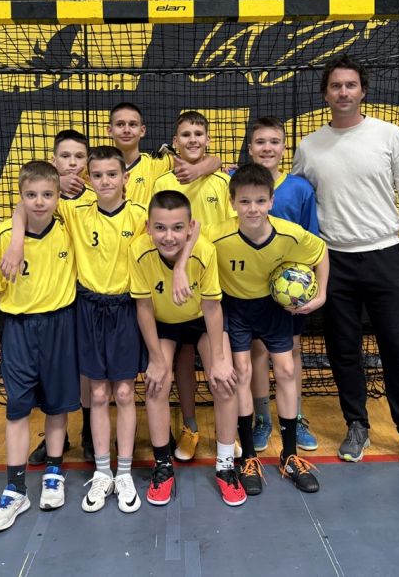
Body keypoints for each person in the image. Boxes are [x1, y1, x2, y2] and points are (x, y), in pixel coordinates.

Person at [292, 53, 399, 473]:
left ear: (363, 91)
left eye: (350, 85)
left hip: (384, 256)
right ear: (325, 94)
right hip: (333, 261)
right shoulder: (309, 146)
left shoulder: (388, 135)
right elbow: (294, 197)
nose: (343, 92)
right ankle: (357, 425)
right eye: (336, 86)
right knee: (343, 351)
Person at [207, 163, 329, 494]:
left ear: (272, 201)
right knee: (242, 372)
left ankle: (289, 456)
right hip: (236, 309)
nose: (253, 209)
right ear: (232, 202)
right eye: (245, 201)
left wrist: (321, 294)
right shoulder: (217, 234)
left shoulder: (289, 233)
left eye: (260, 201)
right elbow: (192, 249)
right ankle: (248, 456)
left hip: (274, 308)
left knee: (287, 369)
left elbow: (320, 252)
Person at [0, 161, 78, 532]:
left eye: (48, 194)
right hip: (19, 329)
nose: (39, 201)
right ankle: (16, 488)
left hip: (60, 325)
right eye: (31, 195)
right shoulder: (3, 235)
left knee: (57, 405)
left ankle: (53, 473)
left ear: (58, 197)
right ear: (20, 197)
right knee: (17, 407)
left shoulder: (69, 225)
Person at [129, 190, 244, 506]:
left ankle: (225, 466)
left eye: (177, 228)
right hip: (164, 323)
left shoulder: (204, 251)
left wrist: (219, 360)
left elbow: (212, 308)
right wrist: (156, 359)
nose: (168, 236)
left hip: (200, 319)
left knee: (224, 381)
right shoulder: (138, 251)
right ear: (148, 227)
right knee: (156, 383)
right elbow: (143, 308)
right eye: (160, 228)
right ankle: (163, 466)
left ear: (190, 227)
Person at [153, 111, 236, 462]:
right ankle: (190, 428)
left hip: (213, 287)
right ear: (175, 142)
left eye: (198, 134)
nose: (192, 140)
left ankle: (229, 436)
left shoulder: (220, 181)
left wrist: (209, 167)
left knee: (224, 366)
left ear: (208, 140)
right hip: (174, 289)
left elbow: (228, 231)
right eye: (185, 134)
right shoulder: (162, 182)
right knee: (183, 361)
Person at [10, 129, 96, 466]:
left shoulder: (94, 193)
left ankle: (89, 432)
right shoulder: (45, 198)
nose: (73, 163)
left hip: (87, 296)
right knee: (53, 372)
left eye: (79, 157)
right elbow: (21, 207)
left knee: (86, 371)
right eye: (65, 156)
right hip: (54, 299)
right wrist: (16, 241)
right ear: (53, 159)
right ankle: (55, 438)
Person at [246, 117, 320, 453]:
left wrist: (304, 288)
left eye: (274, 142)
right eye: (260, 142)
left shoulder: (300, 188)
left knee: (292, 349)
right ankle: (262, 419)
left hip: (289, 288)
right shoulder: (238, 182)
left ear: (284, 147)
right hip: (251, 284)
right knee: (258, 351)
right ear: (250, 148)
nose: (267, 148)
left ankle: (296, 417)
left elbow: (312, 241)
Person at [106, 102, 221, 208]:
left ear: (142, 130)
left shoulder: (161, 162)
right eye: (120, 124)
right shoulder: (98, 168)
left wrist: (198, 170)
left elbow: (215, 161)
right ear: (109, 130)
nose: (126, 130)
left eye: (133, 124)